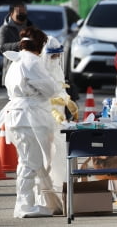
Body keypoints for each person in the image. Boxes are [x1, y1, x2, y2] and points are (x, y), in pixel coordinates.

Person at [0, 26, 62, 217]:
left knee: (27, 161)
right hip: (29, 116)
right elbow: (50, 89)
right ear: (40, 45)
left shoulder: (17, 60)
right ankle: (25, 206)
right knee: (30, 162)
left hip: (18, 115)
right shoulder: (32, 62)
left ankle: (28, 203)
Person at [41, 36, 79, 196]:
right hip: (43, 116)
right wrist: (53, 110)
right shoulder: (40, 68)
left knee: (61, 151)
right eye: (53, 55)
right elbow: (40, 95)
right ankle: (45, 192)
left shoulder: (56, 67)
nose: (56, 58)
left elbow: (60, 87)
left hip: (59, 117)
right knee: (46, 155)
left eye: (58, 55)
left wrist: (69, 102)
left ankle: (61, 189)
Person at [0, 1, 32, 85]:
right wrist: (19, 45)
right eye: (19, 12)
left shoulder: (30, 27)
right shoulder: (5, 29)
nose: (22, 14)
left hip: (30, 71)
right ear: (11, 13)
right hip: (12, 71)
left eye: (24, 12)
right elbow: (1, 47)